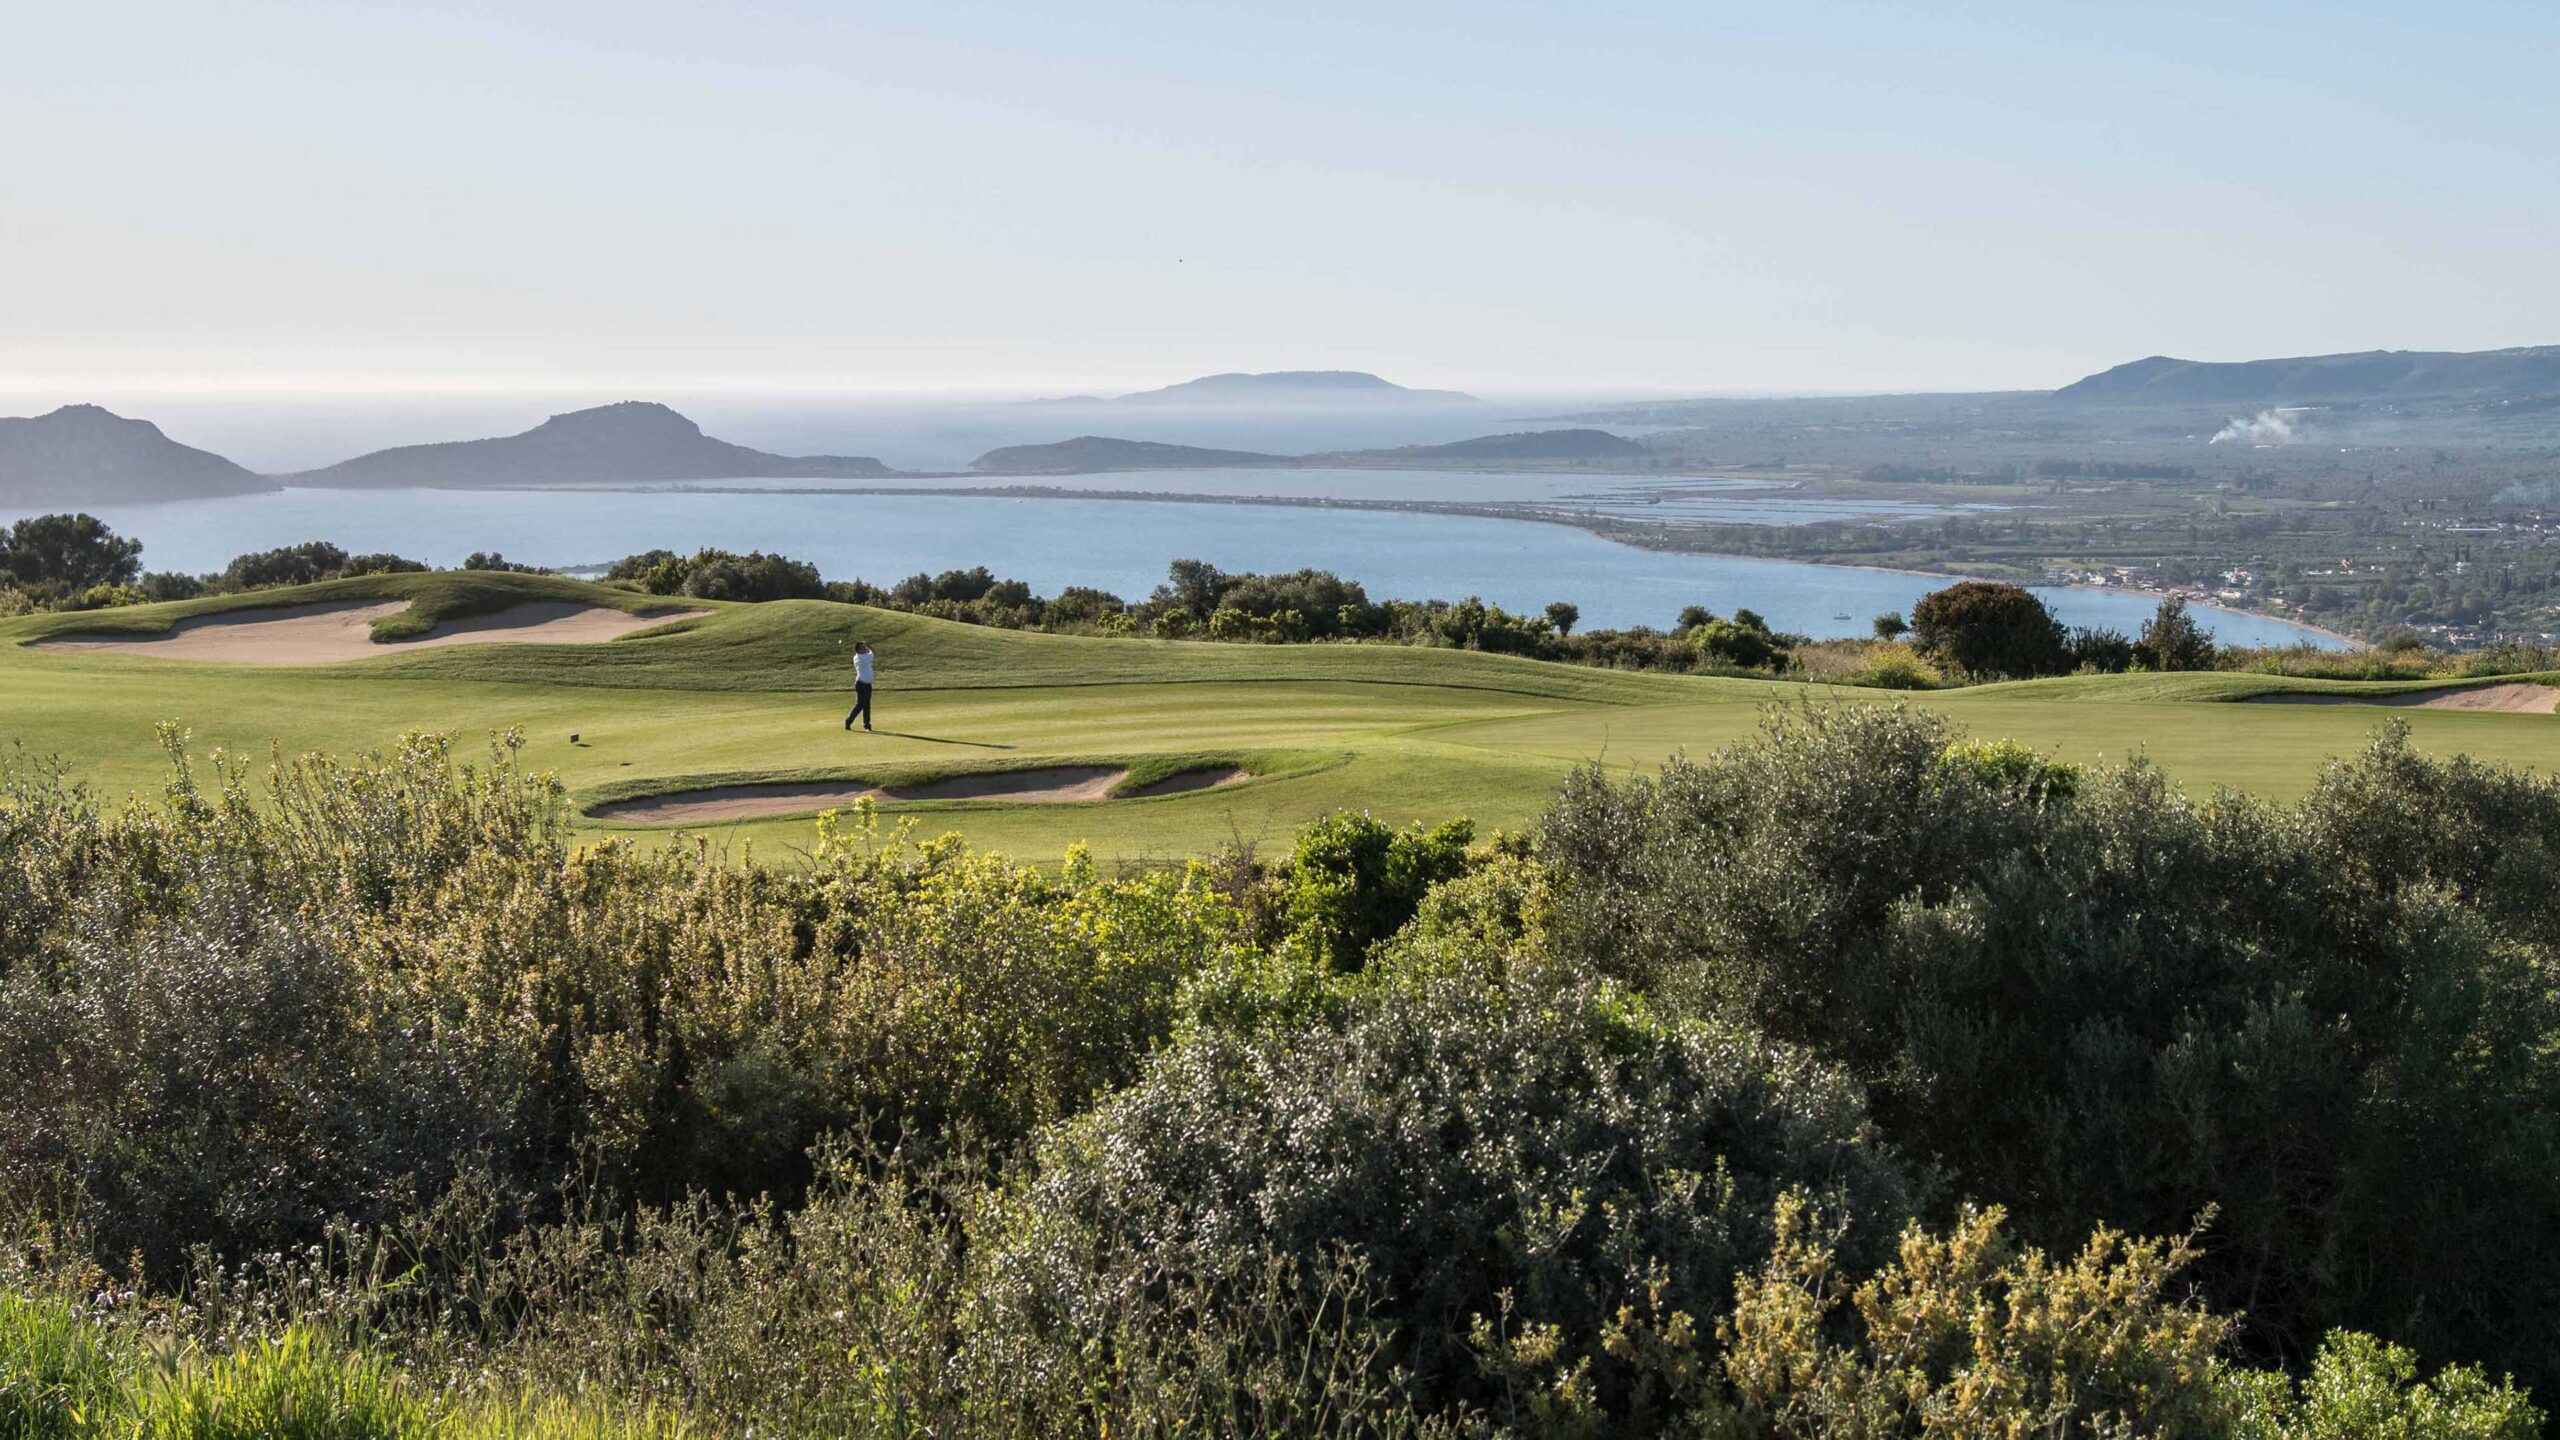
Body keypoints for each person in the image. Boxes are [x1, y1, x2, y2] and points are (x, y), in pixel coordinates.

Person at [843, 641, 875, 731]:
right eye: (863, 648)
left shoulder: (860, 656)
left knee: (867, 705)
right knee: (860, 705)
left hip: (866, 684)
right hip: (861, 685)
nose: (865, 649)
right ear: (859, 650)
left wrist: (866, 646)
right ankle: (848, 720)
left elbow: (869, 653)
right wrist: (869, 645)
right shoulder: (861, 658)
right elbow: (873, 653)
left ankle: (867, 724)